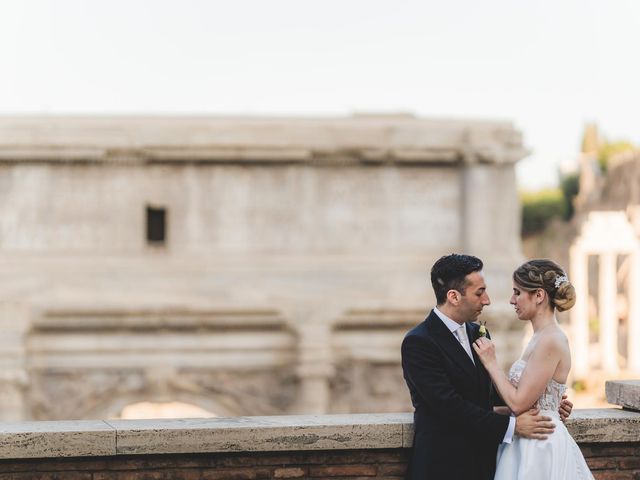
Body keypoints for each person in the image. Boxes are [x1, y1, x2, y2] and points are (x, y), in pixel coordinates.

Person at [401, 254, 571, 480]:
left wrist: (541, 405)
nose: (487, 300)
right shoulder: (419, 342)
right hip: (443, 467)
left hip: (486, 464)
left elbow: (487, 399)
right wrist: (512, 426)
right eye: (479, 293)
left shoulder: (477, 333)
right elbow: (449, 406)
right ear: (453, 296)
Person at [472, 259, 593, 479]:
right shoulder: (538, 338)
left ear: (539, 295)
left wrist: (491, 363)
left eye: (517, 293)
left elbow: (518, 403)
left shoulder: (551, 339)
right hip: (526, 439)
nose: (512, 300)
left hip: (540, 447)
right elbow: (525, 403)